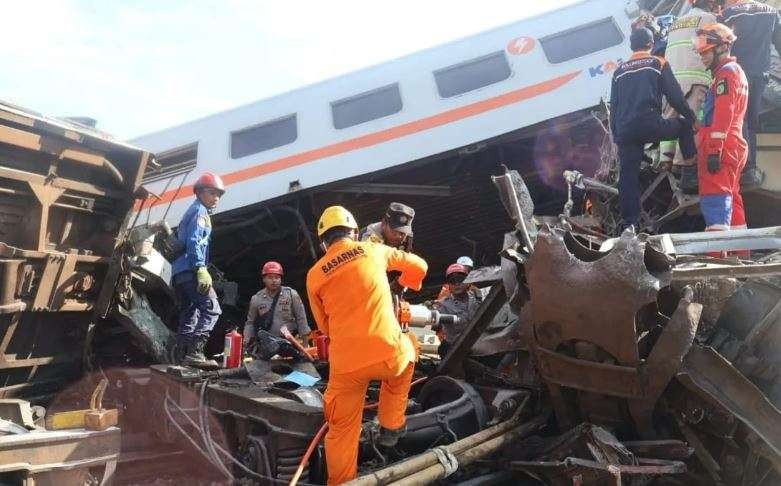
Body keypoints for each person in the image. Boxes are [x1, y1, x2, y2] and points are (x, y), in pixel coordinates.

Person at [306, 205, 427, 484]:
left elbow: (324, 327)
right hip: (389, 354)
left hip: (346, 366)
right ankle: (391, 426)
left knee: (341, 431)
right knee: (408, 351)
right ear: (354, 232)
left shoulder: (314, 275)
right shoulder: (373, 250)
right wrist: (406, 284)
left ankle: (341, 482)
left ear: (323, 243)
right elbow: (420, 266)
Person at [610, 27, 698, 230]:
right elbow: (675, 96)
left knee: (628, 177)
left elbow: (614, 106)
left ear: (632, 46)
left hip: (625, 131)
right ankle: (690, 170)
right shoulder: (658, 63)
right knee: (683, 125)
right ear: (651, 44)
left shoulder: (619, 71)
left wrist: (617, 136)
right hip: (650, 124)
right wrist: (692, 117)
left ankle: (629, 224)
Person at [694, 24, 749, 252]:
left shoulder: (726, 74)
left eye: (706, 52)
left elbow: (723, 113)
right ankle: (741, 257)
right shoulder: (734, 72)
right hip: (733, 145)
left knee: (716, 204)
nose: (703, 58)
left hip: (722, 147)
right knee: (733, 204)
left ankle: (715, 266)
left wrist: (714, 149)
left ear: (721, 48)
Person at [719, 0, 781, 187]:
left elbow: (719, 47)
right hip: (761, 75)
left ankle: (747, 168)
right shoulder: (771, 12)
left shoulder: (728, 14)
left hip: (736, 75)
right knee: (751, 122)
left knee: (740, 121)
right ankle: (751, 170)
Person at [659, 0, 719, 190]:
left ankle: (665, 160)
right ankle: (688, 172)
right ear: (710, 4)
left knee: (670, 121)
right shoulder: (709, 18)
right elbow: (717, 46)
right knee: (693, 123)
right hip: (695, 77)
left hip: (671, 80)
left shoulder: (677, 22)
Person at [171, 172, 225, 369]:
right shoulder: (200, 212)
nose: (216, 198)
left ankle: (181, 356)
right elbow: (194, 242)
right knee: (212, 308)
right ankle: (195, 352)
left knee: (190, 312)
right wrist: (201, 268)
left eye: (219, 194)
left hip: (179, 273)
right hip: (191, 269)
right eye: (213, 193)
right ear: (200, 192)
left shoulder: (192, 210)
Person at [243, 261, 311, 346]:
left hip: (291, 342)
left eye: (277, 277)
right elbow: (250, 323)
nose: (274, 281)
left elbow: (301, 319)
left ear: (281, 279)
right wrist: (246, 340)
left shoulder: (291, 294)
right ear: (264, 279)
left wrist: (305, 346)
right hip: (269, 344)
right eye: (270, 277)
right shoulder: (256, 299)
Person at [432, 263, 483, 358]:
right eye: (452, 281)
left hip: (478, 346)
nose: (456, 284)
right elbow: (434, 320)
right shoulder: (442, 305)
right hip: (454, 349)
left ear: (468, 281)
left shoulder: (479, 298)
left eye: (460, 279)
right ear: (449, 286)